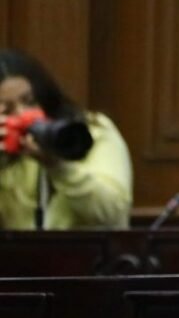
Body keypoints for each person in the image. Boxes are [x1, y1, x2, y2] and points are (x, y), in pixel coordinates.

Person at [0, 49, 133, 229]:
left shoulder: (91, 130)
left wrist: (58, 166)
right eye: (7, 110)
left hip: (88, 246)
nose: (23, 114)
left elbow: (112, 215)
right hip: (20, 247)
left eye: (30, 102)